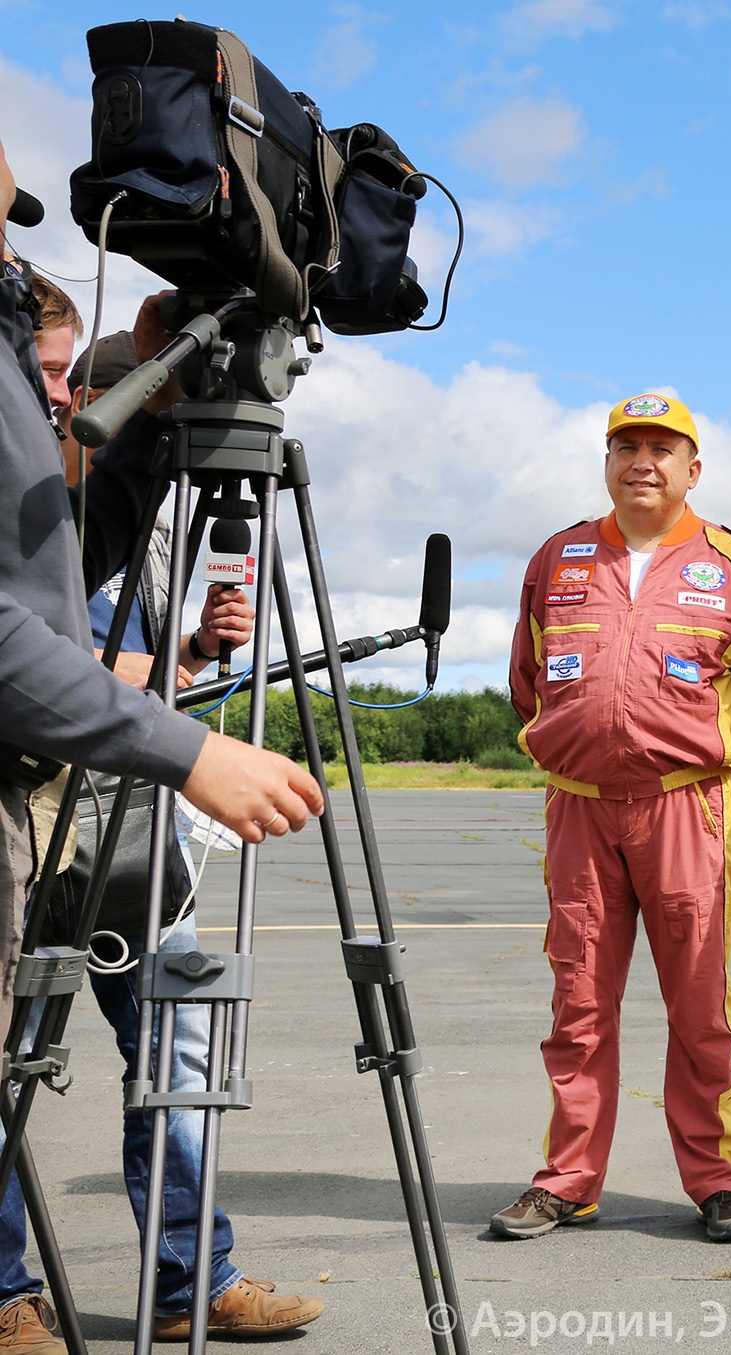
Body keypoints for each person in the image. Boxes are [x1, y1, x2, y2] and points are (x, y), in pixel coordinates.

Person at [0, 147, 324, 1351]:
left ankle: (194, 1272)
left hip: (129, 799)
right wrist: (169, 712)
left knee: (178, 1038)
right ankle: (2, 1297)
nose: (45, 404)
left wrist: (181, 648)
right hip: (44, 794)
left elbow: (85, 604)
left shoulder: (89, 501)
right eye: (33, 379)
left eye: (54, 381)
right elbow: (40, 660)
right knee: (16, 1049)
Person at [499, 393, 731, 1244]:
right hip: (581, 811)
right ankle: (568, 1179)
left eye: (662, 449)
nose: (642, 462)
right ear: (606, 461)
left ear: (692, 469)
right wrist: (570, 743)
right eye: (625, 445)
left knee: (699, 1002)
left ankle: (719, 1181)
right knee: (579, 1002)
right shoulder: (558, 557)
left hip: (686, 809)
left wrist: (720, 764)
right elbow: (529, 677)